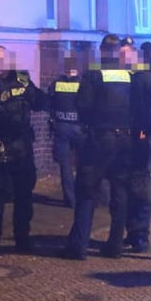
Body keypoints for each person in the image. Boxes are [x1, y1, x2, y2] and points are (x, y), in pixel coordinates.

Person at [61, 34, 136, 260]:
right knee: (120, 191)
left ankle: (78, 247)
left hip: (99, 139)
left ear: (102, 51)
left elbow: (82, 105)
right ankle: (115, 246)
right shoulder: (129, 76)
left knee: (86, 190)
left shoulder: (94, 75)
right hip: (125, 139)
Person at [0, 46, 47, 252]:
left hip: (21, 146)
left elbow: (39, 102)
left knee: (24, 195)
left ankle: (22, 238)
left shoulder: (23, 80)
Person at [126, 41, 151, 251]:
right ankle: (134, 232)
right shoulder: (139, 78)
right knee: (133, 184)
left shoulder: (144, 80)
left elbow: (148, 110)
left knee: (140, 186)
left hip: (141, 138)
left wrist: (144, 131)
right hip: (135, 138)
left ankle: (140, 235)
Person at [48, 54, 83, 208]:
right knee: (83, 163)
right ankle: (83, 197)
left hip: (61, 126)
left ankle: (70, 199)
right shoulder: (83, 83)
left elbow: (49, 103)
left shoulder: (56, 84)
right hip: (79, 127)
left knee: (65, 165)